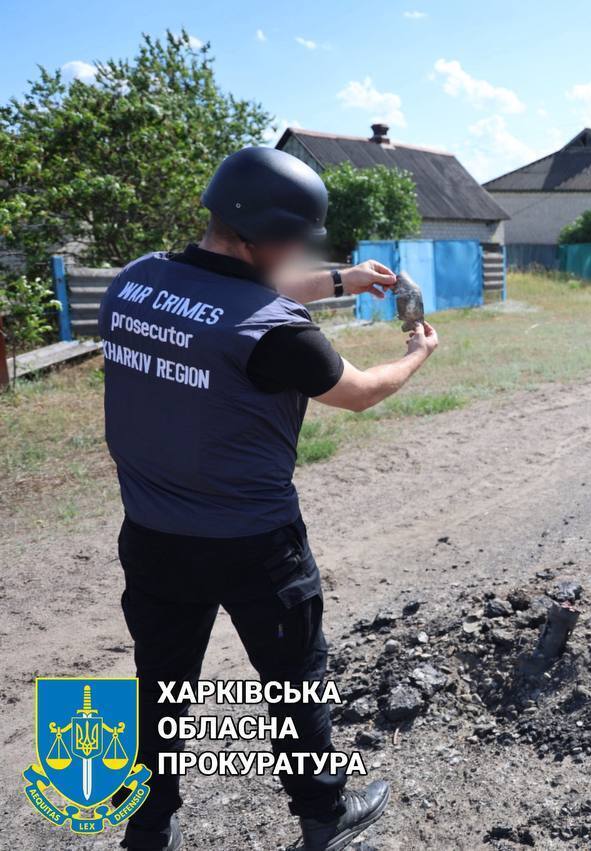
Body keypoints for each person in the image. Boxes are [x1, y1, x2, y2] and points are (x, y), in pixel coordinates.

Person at [100, 147, 439, 851]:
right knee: (295, 681)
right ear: (267, 236)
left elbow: (231, 291)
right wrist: (417, 352)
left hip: (153, 534)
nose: (297, 254)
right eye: (296, 241)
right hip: (255, 544)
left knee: (158, 684)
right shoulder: (278, 334)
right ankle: (324, 816)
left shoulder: (134, 282)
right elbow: (362, 390)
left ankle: (148, 824)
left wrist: (344, 280)